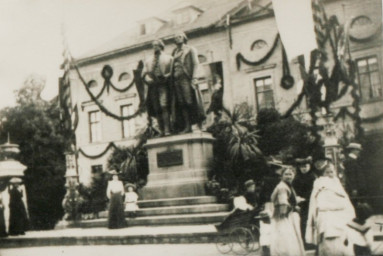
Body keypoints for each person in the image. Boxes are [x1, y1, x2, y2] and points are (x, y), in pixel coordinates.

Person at [306, 159, 355, 256]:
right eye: (327, 172)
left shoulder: (336, 182)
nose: (329, 174)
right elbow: (322, 204)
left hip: (340, 216)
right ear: (323, 173)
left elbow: (345, 201)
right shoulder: (321, 184)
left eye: (332, 172)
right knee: (330, 242)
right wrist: (339, 205)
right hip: (327, 216)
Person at [171, 32, 205, 133]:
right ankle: (187, 126)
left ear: (184, 38)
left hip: (186, 78)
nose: (177, 38)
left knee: (190, 101)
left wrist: (194, 77)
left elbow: (195, 63)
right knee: (181, 103)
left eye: (179, 36)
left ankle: (199, 124)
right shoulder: (174, 52)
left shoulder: (190, 49)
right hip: (176, 80)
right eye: (175, 37)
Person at [270, 166, 305, 256]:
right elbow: (283, 203)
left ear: (294, 175)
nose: (288, 176)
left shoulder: (286, 185)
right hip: (283, 216)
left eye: (290, 174)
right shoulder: (282, 187)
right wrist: (293, 208)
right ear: (282, 176)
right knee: (285, 240)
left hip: (284, 215)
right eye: (286, 174)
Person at [143, 39, 174, 136]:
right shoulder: (148, 60)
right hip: (153, 86)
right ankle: (161, 130)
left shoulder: (169, 58)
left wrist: (167, 76)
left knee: (164, 106)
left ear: (161, 46)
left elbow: (172, 72)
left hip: (163, 84)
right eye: (153, 45)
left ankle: (167, 129)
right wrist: (147, 78)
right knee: (156, 108)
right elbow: (144, 74)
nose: (155, 47)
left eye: (157, 45)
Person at [292, 156, 316, 247]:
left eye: (305, 166)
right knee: (302, 222)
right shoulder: (297, 178)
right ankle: (303, 242)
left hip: (310, 202)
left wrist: (306, 198)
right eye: (302, 167)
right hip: (301, 204)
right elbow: (293, 189)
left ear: (309, 166)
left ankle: (311, 242)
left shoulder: (313, 177)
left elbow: (313, 190)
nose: (304, 168)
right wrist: (297, 197)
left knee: (311, 221)